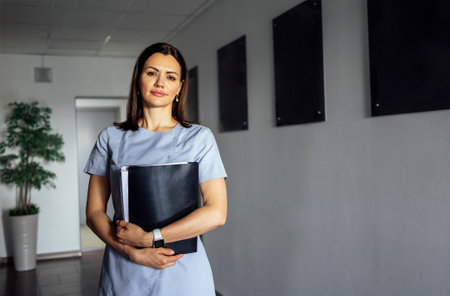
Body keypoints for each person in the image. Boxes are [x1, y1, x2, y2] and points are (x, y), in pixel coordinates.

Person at [84, 43, 227, 295]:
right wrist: (132, 251)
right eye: (152, 73)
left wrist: (149, 239)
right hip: (125, 268)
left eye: (170, 77)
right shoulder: (111, 138)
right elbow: (94, 212)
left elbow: (217, 212)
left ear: (179, 87)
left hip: (183, 269)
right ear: (138, 79)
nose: (160, 82)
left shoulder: (199, 138)